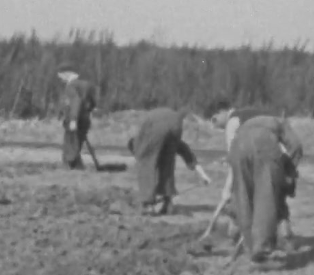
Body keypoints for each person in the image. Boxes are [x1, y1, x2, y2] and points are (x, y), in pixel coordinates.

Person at [203, 105, 298, 245]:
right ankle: (284, 232)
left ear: (221, 112)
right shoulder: (259, 114)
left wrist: (227, 190)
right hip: (279, 159)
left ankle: (238, 232)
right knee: (274, 195)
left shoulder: (233, 122)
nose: (214, 126)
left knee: (242, 195)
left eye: (214, 120)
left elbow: (236, 162)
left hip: (261, 158)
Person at [228, 115, 304, 263]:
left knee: (244, 197)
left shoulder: (245, 123)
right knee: (265, 197)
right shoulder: (278, 122)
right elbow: (296, 146)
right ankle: (260, 249)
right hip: (263, 146)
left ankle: (249, 246)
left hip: (237, 147)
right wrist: (289, 168)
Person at [127, 107, 212, 215]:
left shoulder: (140, 141)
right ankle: (168, 204)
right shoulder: (149, 130)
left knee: (146, 163)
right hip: (176, 123)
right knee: (167, 164)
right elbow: (185, 151)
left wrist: (142, 158)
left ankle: (148, 205)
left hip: (158, 125)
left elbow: (145, 161)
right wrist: (203, 175)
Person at [57, 64, 97, 170]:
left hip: (74, 119)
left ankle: (68, 165)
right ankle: (78, 166)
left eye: (61, 76)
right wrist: (87, 111)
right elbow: (93, 102)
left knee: (70, 143)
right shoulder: (87, 85)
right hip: (85, 118)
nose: (61, 79)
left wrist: (73, 119)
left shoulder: (71, 86)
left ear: (67, 74)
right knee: (77, 143)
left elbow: (75, 101)